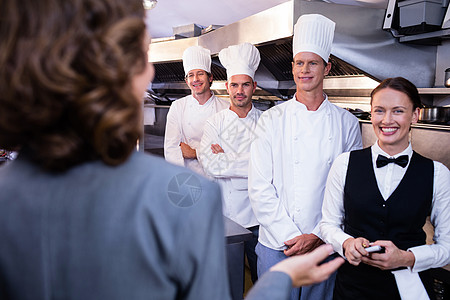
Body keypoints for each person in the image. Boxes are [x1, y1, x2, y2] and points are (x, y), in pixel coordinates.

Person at [0, 1, 344, 299]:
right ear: (137, 71)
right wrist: (281, 281)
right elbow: (205, 160)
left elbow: (224, 162)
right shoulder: (178, 208)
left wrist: (216, 158)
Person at [248, 14, 362, 300]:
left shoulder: (346, 123)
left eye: (313, 63)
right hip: (277, 243)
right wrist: (291, 234)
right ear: (293, 67)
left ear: (327, 68)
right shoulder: (272, 120)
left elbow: (349, 189)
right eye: (299, 63)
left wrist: (317, 235)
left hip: (323, 242)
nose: (305, 70)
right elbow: (260, 186)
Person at [319, 77, 450, 300]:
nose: (387, 120)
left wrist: (407, 258)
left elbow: (447, 246)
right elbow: (327, 225)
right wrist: (347, 242)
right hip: (352, 288)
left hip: (410, 290)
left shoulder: (437, 173)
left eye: (398, 111)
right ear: (371, 114)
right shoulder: (344, 164)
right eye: (379, 110)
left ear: (415, 115)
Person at [199, 42, 262, 284]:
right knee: (229, 283)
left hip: (260, 219)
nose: (239, 90)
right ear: (227, 87)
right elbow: (210, 165)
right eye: (234, 85)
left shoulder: (267, 122)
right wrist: (252, 163)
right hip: (227, 217)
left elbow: (269, 166)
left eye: (245, 84)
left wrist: (226, 158)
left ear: (254, 86)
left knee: (260, 282)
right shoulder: (215, 123)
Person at [164, 45, 229, 176]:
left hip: (218, 178)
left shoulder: (226, 108)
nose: (195, 80)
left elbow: (228, 150)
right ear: (186, 80)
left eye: (200, 74)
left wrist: (194, 153)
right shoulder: (177, 107)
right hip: (187, 177)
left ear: (210, 78)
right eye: (191, 75)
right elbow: (171, 150)